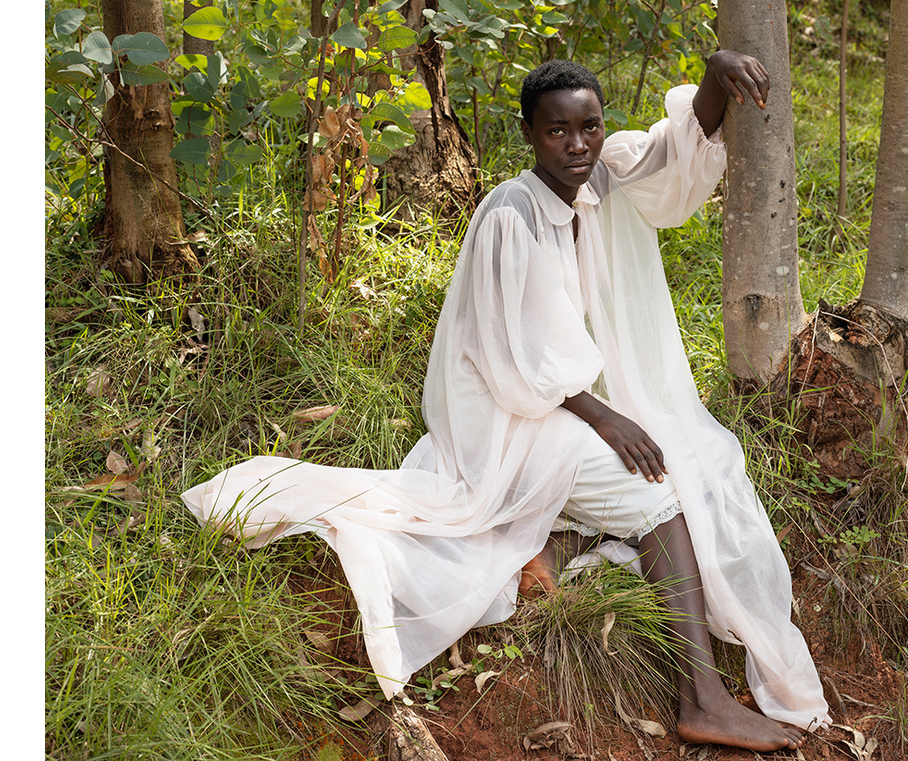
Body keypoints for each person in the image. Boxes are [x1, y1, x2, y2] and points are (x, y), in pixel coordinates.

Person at [181, 51, 829, 752]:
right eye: (557, 131)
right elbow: (517, 358)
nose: (577, 146)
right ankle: (701, 697)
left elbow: (671, 163)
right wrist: (608, 419)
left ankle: (552, 540)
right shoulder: (509, 214)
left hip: (555, 403)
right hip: (506, 412)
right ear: (528, 133)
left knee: (705, 457)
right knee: (662, 488)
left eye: (589, 127)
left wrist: (713, 76)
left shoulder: (598, 180)